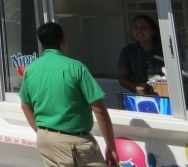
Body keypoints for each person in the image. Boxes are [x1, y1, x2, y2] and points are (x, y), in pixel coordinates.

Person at [20, 22, 118, 167]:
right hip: (73, 142)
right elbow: (99, 110)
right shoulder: (76, 68)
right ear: (63, 41)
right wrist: (111, 147)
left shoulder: (31, 69)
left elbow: (25, 105)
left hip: (45, 140)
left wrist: (41, 131)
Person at [118, 14, 165, 94]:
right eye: (135, 28)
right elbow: (122, 78)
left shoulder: (163, 50)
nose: (139, 31)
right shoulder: (128, 51)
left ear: (153, 31)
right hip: (138, 97)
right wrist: (136, 87)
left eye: (143, 28)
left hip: (163, 94)